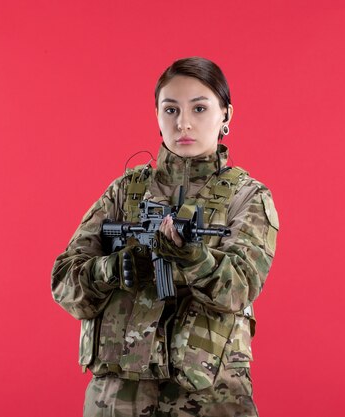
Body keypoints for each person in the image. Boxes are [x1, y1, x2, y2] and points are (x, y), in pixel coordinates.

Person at [51, 57, 279, 417]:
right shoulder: (125, 191)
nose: (183, 123)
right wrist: (113, 268)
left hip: (208, 401)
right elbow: (64, 283)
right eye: (170, 109)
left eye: (199, 108)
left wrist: (191, 257)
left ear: (226, 115)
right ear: (156, 115)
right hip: (116, 400)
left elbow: (240, 287)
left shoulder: (247, 197)